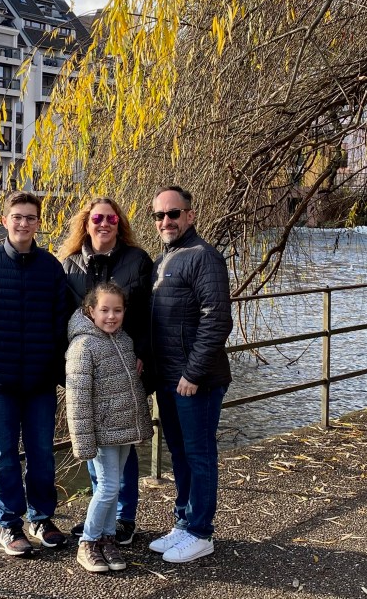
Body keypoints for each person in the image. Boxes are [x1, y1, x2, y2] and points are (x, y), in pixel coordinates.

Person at [0, 190, 71, 557]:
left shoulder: (50, 266)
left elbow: (60, 318)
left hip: (40, 378)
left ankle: (41, 518)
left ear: (38, 223)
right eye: (17, 217)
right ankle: (10, 524)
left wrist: (53, 361)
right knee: (3, 455)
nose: (23, 223)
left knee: (42, 453)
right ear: (5, 221)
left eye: (30, 217)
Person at [58, 196, 153, 546]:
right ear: (86, 223)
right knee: (97, 445)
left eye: (111, 218)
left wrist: (142, 352)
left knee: (124, 439)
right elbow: (62, 316)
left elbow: (148, 312)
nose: (104, 224)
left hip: (127, 363)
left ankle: (123, 518)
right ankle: (101, 519)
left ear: (119, 223)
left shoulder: (137, 260)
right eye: (97, 218)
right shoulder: (69, 264)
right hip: (89, 364)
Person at [147, 185, 233, 564]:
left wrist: (193, 373)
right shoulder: (162, 260)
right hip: (168, 379)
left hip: (196, 381)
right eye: (160, 215)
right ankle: (183, 522)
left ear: (190, 215)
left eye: (173, 213)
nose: (166, 221)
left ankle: (201, 532)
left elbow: (217, 320)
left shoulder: (203, 257)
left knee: (199, 455)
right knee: (179, 453)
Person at [65, 282, 154, 573]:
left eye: (117, 310)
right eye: (104, 310)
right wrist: (84, 442)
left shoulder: (123, 340)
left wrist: (138, 425)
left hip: (123, 429)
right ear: (91, 311)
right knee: (108, 486)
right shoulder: (83, 346)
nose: (111, 316)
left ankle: (106, 538)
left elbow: (132, 388)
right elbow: (77, 399)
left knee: (113, 489)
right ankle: (88, 542)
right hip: (102, 432)